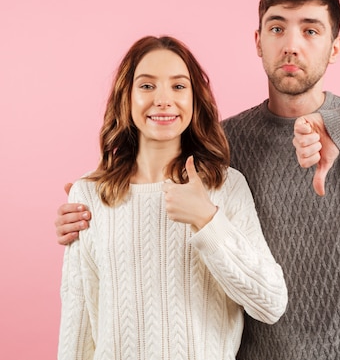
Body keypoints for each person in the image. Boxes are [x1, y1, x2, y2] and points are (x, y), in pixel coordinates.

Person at [55, 0, 340, 360]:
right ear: (258, 40)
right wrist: (93, 203)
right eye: (278, 27)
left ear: (335, 46)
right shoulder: (221, 146)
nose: (291, 45)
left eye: (311, 30)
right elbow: (150, 167)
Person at [57, 35, 287, 360]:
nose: (164, 100)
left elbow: (270, 302)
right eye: (147, 86)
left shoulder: (225, 186)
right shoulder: (90, 195)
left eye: (178, 86)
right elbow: (77, 326)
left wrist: (207, 221)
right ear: (127, 96)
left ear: (195, 99)